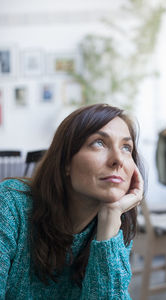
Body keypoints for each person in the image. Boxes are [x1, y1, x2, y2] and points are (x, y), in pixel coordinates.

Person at [0, 103, 144, 299]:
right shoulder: (10, 206)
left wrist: (110, 220)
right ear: (66, 161)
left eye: (126, 147)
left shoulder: (116, 226)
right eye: (99, 143)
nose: (118, 159)